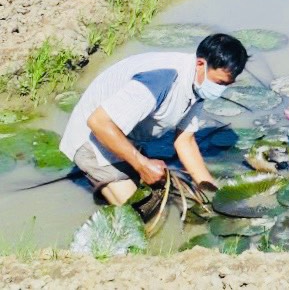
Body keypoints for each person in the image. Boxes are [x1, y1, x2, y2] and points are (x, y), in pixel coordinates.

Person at [59, 34, 248, 206]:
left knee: (156, 193)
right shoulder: (160, 80)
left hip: (127, 132)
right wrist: (141, 164)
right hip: (93, 139)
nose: (220, 90)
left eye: (227, 85)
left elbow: (185, 141)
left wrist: (212, 195)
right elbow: (98, 122)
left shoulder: (198, 83)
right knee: (139, 213)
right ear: (201, 64)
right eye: (220, 83)